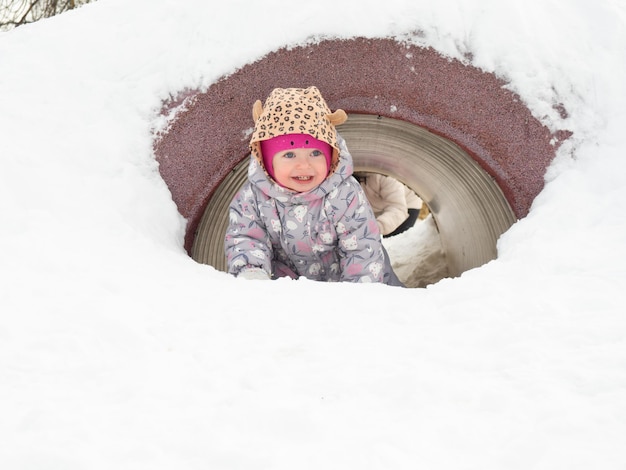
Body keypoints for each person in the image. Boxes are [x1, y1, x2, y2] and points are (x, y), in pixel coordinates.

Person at [224, 86, 403, 286]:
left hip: (358, 282)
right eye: (289, 155)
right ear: (267, 162)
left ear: (330, 155)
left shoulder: (344, 194)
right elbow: (246, 238)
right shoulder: (253, 198)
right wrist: (253, 274)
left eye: (315, 153)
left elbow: (362, 247)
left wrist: (358, 296)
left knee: (395, 312)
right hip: (292, 288)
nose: (304, 165)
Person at [356, 173, 423, 238]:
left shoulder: (387, 176)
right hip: (376, 205)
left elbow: (398, 210)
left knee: (395, 242)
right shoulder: (350, 178)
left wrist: (376, 228)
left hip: (406, 205)